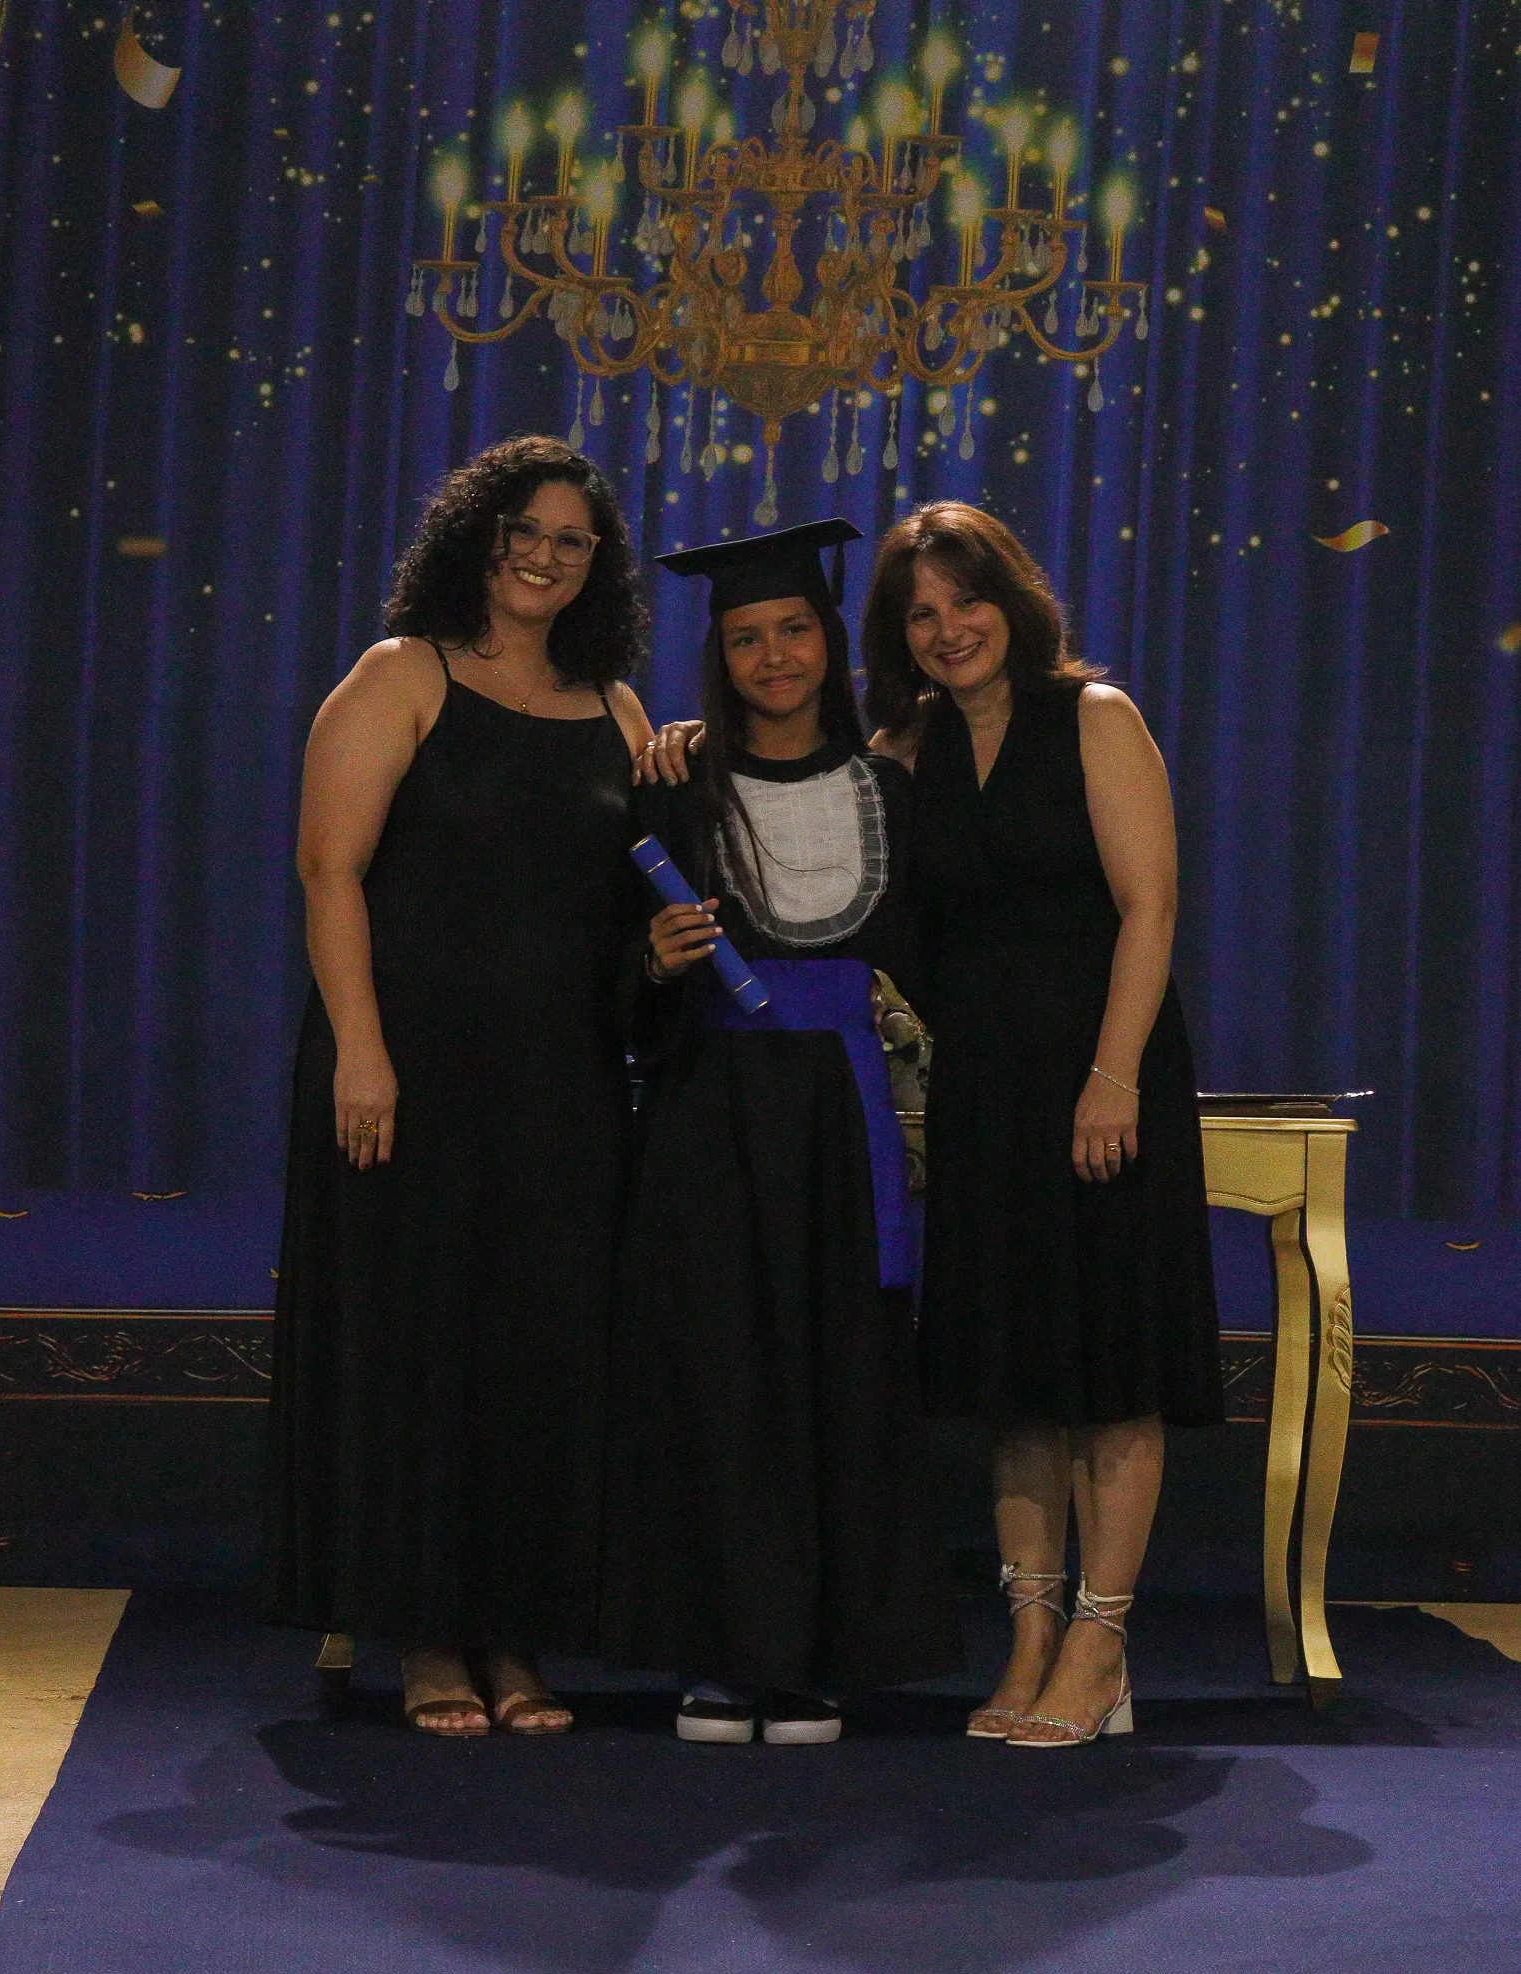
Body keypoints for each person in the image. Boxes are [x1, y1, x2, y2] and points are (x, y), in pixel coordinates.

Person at [264, 434, 653, 1736]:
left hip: (560, 1086)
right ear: (476, 538)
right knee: (416, 1352)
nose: (543, 556)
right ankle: (426, 1637)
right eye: (521, 531)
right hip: (407, 1071)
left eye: (569, 540)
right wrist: (362, 1051)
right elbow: (328, 871)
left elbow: (631, 894)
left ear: (596, 564)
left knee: (539, 1356)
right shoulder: (400, 674)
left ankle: (514, 1637)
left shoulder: (615, 705)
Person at [859, 500, 1222, 1747]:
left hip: (1100, 1077)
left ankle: (1099, 1642)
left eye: (965, 600)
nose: (947, 628)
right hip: (984, 1095)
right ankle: (1027, 1634)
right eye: (920, 612)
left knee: (1109, 1370)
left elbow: (1149, 906)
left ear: (1011, 600)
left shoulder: (1094, 717)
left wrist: (1111, 1076)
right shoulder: (903, 749)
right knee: (1014, 1379)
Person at [603, 520, 959, 1744]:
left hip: (845, 1118)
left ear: (828, 641)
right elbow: (607, 957)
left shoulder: (892, 790)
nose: (772, 657)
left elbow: (925, 965)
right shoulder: (670, 785)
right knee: (719, 1372)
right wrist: (652, 961)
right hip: (711, 1109)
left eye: (793, 630)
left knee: (839, 1374)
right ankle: (721, 1653)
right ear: (720, 654)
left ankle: (817, 1657)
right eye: (746, 637)